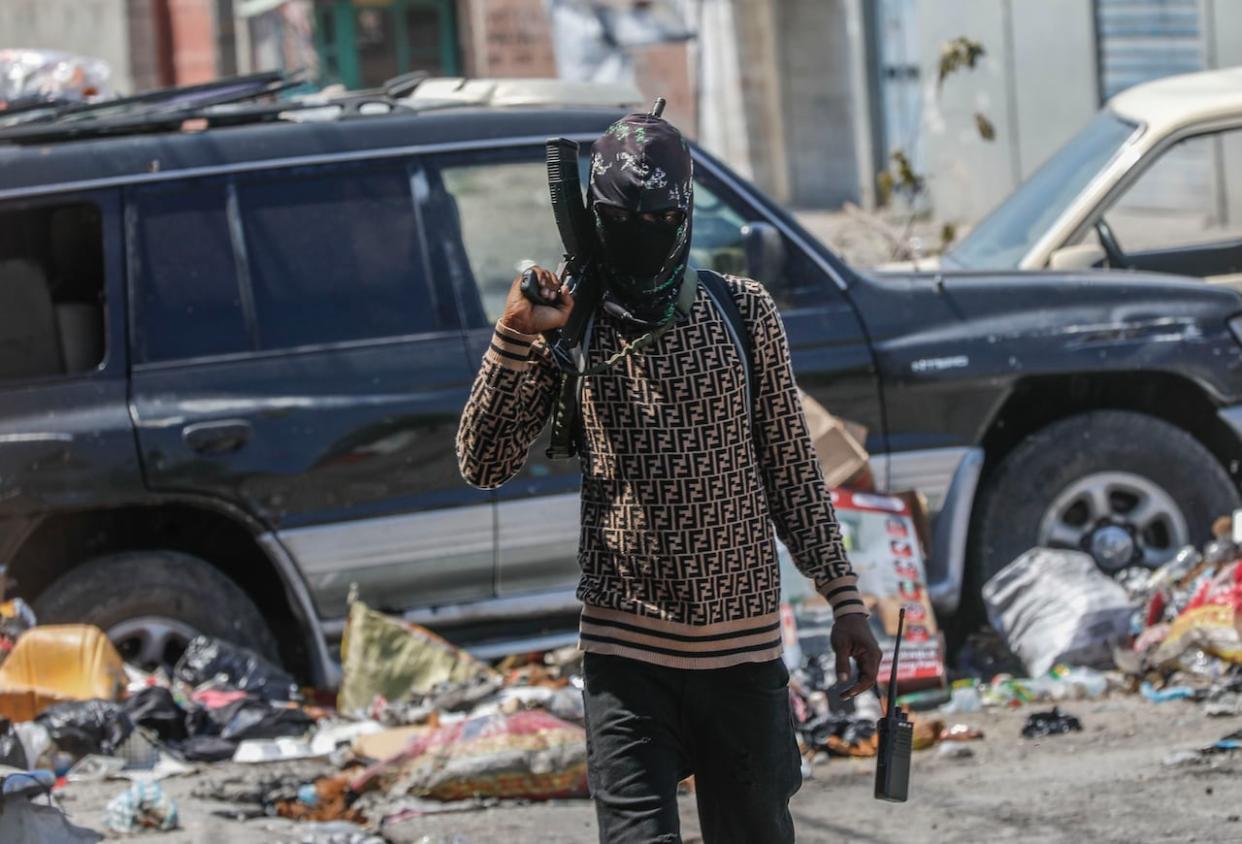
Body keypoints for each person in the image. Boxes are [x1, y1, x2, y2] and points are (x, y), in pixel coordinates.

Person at [456, 109, 881, 843]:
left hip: (743, 663)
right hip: (627, 665)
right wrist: (517, 338)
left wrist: (844, 599)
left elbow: (791, 469)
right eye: (627, 217)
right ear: (596, 217)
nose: (647, 229)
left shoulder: (742, 313)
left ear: (684, 214)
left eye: (663, 215)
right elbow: (482, 462)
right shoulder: (572, 324)